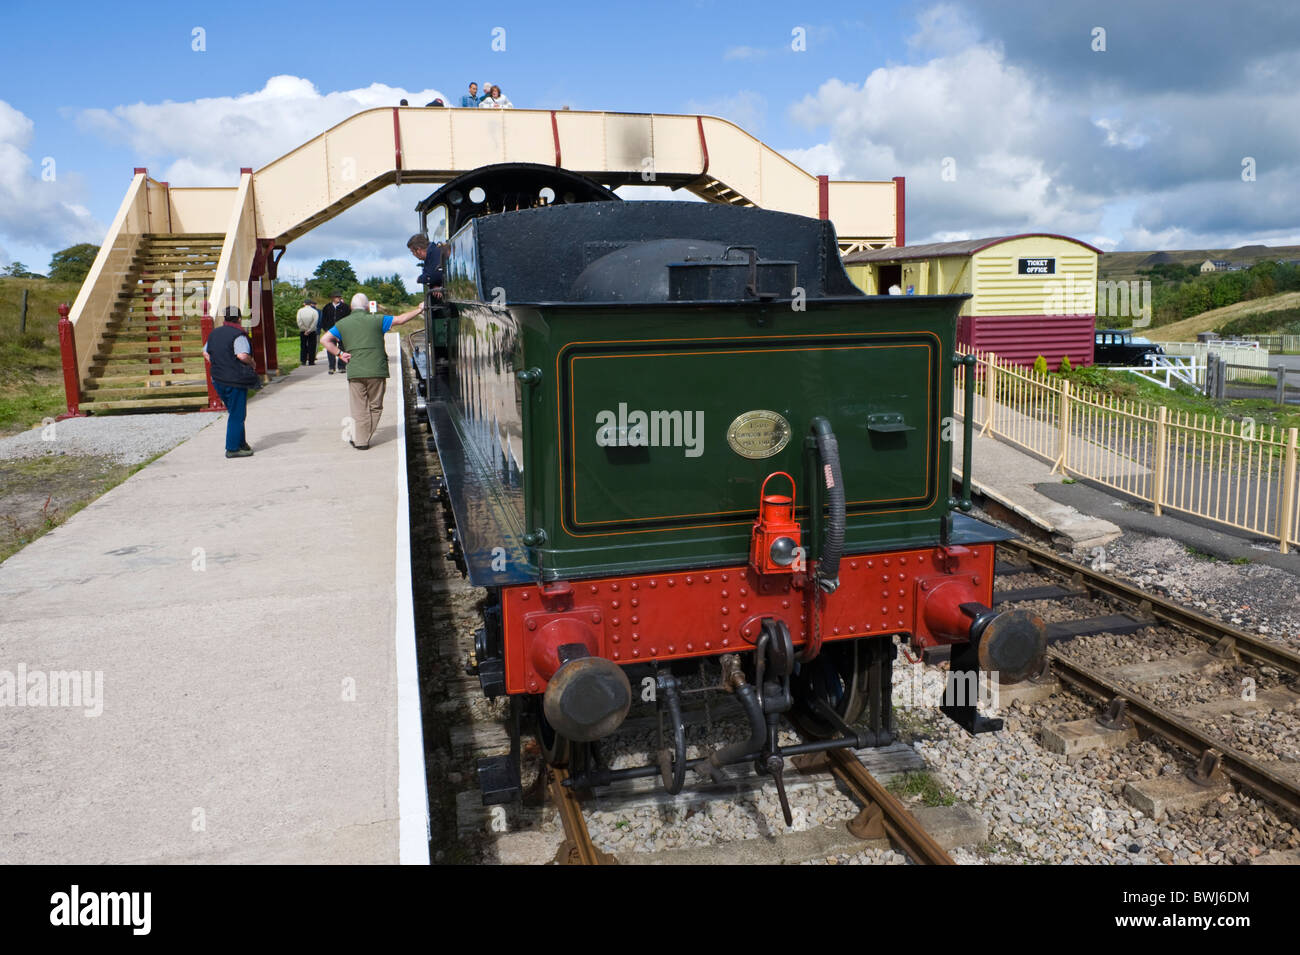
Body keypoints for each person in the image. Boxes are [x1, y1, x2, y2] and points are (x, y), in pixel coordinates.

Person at [321, 293, 422, 450]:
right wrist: (419, 309)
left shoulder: (342, 323)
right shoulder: (378, 319)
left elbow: (325, 339)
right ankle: (364, 437)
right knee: (375, 406)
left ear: (351, 307)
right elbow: (401, 319)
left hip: (355, 370)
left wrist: (339, 354)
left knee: (358, 407)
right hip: (377, 369)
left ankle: (361, 440)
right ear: (368, 306)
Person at [203, 306, 259, 458]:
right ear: (239, 318)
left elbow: (205, 352)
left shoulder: (214, 333)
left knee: (234, 411)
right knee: (237, 414)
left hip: (217, 378)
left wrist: (218, 362)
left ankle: (242, 443)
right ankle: (232, 448)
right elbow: (242, 355)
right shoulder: (238, 335)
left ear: (224, 318)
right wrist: (252, 362)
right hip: (234, 379)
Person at [319, 290, 350, 374]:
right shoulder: (327, 307)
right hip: (330, 331)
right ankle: (331, 367)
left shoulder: (345, 307)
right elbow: (323, 319)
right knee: (330, 349)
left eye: (339, 297)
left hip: (342, 331)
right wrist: (326, 330)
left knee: (342, 349)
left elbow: (348, 319)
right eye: (337, 297)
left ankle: (341, 366)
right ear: (332, 298)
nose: (339, 298)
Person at [407, 233, 444, 300]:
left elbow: (435, 275)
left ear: (418, 250)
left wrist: (419, 278)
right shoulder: (431, 254)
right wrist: (434, 285)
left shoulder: (435, 253)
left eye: (412, 252)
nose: (413, 255)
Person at [296, 297, 320, 365]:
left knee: (303, 345)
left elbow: (299, 321)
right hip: (312, 331)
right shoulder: (315, 311)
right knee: (312, 346)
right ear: (311, 304)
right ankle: (311, 361)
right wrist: (309, 330)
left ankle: (303, 361)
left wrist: (305, 329)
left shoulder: (300, 311)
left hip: (303, 331)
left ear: (304, 304)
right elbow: (315, 322)